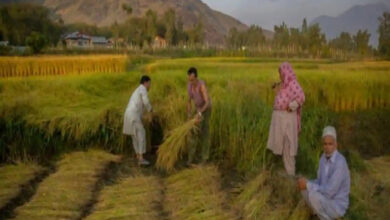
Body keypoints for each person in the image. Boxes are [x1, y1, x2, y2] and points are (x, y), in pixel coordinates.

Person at [298, 126, 350, 220]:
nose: (327, 147)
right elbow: (320, 181)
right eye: (325, 144)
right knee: (304, 189)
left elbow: (330, 192)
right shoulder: (323, 158)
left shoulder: (340, 162)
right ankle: (317, 215)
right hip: (326, 200)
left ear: (336, 145)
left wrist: (309, 185)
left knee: (313, 195)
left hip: (336, 204)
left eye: (330, 144)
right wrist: (306, 182)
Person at [267, 62, 305, 176]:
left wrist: (291, 106)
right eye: (279, 73)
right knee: (283, 145)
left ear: (286, 72)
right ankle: (288, 172)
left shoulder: (293, 83)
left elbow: (301, 97)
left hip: (288, 118)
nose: (280, 75)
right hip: (280, 118)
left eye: (281, 73)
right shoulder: (284, 84)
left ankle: (290, 173)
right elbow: (280, 94)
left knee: (288, 144)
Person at [123, 75, 153, 166]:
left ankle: (138, 155)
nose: (149, 86)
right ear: (145, 82)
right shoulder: (142, 89)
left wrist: (146, 116)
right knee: (141, 133)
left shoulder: (137, 90)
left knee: (135, 135)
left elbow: (140, 107)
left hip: (128, 114)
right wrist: (151, 109)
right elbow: (146, 101)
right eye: (149, 84)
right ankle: (141, 158)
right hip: (133, 114)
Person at [187, 67, 212, 165]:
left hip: (206, 109)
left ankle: (204, 158)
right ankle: (191, 158)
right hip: (197, 108)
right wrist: (189, 114)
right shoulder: (189, 85)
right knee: (193, 131)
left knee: (205, 131)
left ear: (196, 78)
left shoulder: (201, 85)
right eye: (189, 80)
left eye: (193, 80)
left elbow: (207, 102)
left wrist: (200, 113)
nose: (191, 82)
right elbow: (189, 101)